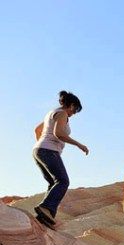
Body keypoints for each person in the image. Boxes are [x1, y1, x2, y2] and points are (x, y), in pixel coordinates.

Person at [32, 91, 89, 225]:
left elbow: (37, 130)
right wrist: (79, 145)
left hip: (39, 150)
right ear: (71, 105)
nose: (73, 114)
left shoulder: (51, 113)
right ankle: (46, 208)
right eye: (75, 110)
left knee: (53, 183)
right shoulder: (62, 113)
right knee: (63, 181)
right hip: (48, 151)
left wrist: (42, 144)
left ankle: (45, 217)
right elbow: (59, 133)